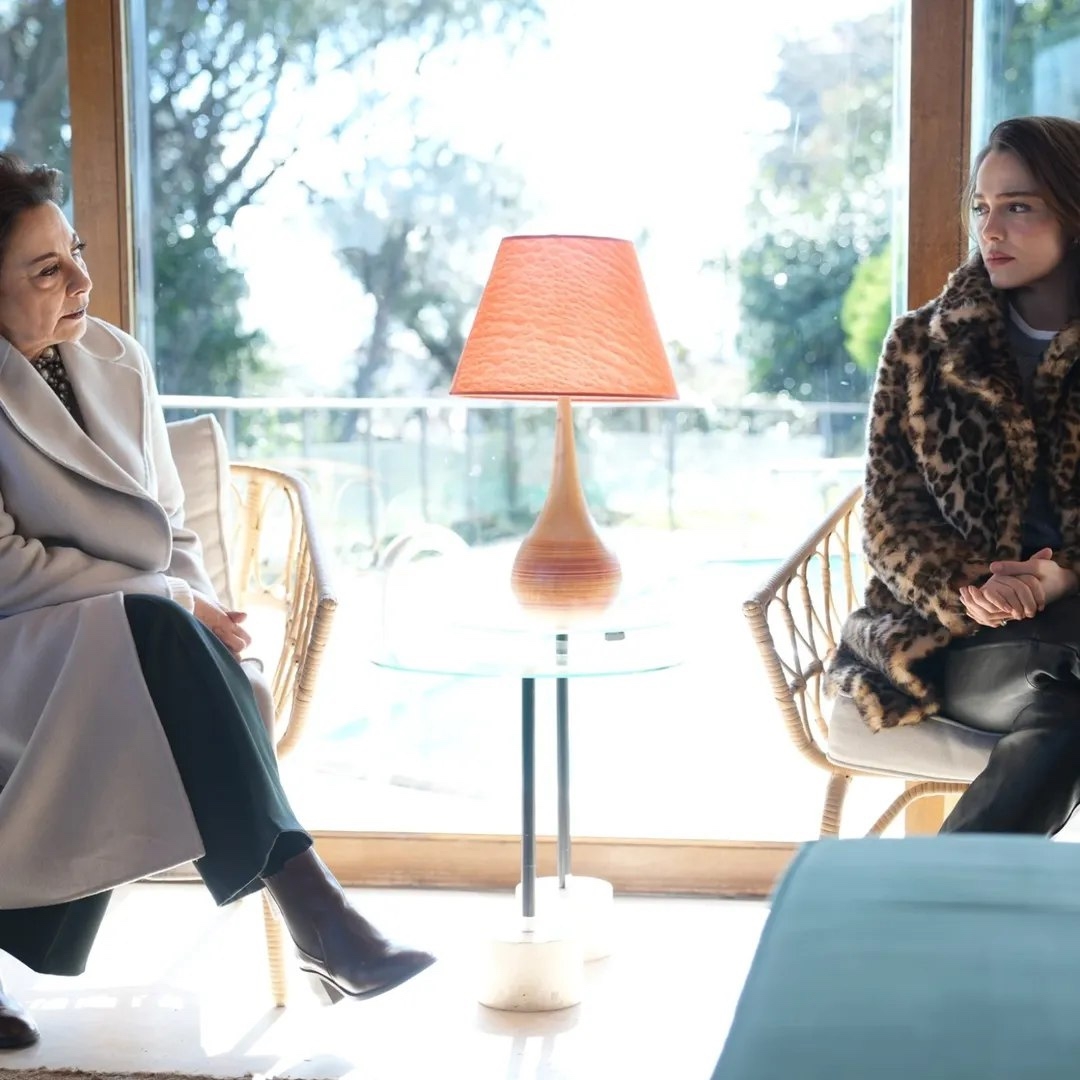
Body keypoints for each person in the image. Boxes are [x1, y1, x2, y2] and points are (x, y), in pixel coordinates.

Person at [0, 154, 434, 1051]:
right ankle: (322, 920)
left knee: (171, 648)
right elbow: (7, 568)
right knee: (157, 636)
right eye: (46, 270)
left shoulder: (113, 357)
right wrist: (169, 600)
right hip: (18, 642)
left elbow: (170, 527)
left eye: (77, 253)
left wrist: (203, 612)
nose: (81, 281)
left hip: (123, 638)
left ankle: (321, 922)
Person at [830, 114, 1080, 836]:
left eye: (1018, 206)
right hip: (952, 638)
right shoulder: (922, 345)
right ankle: (960, 887)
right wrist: (971, 587)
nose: (990, 229)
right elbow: (890, 519)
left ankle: (949, 888)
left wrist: (1061, 576)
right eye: (981, 207)